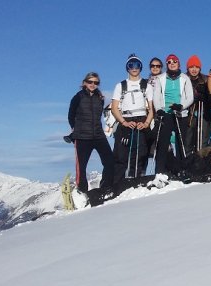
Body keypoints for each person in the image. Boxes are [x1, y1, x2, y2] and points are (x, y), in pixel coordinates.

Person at [67, 72, 114, 206]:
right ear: (84, 83)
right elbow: (71, 115)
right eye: (90, 82)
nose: (93, 84)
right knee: (81, 168)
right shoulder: (78, 97)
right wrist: (74, 129)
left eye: (96, 82)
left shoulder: (100, 97)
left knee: (109, 161)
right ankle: (82, 194)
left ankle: (106, 188)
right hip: (82, 137)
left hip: (98, 135)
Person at [110, 54, 153, 186]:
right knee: (121, 155)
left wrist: (146, 123)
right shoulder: (120, 86)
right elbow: (114, 108)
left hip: (141, 120)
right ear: (127, 68)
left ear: (140, 67)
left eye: (137, 65)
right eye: (131, 65)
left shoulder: (147, 85)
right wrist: (123, 122)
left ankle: (136, 183)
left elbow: (151, 109)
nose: (134, 68)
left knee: (140, 154)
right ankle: (117, 185)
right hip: (125, 120)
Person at [151, 54, 195, 175]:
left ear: (178, 63)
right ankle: (160, 171)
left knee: (181, 143)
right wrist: (159, 109)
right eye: (169, 62)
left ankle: (181, 170)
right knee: (163, 143)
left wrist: (181, 106)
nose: (172, 63)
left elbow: (190, 97)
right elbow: (157, 96)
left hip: (181, 113)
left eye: (174, 61)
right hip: (166, 113)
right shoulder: (160, 78)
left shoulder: (185, 78)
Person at [185, 55, 211, 152]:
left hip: (203, 111)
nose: (194, 70)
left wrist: (205, 94)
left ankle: (201, 160)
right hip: (189, 112)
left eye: (196, 67)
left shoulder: (206, 79)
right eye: (191, 67)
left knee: (202, 138)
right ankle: (187, 161)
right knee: (188, 139)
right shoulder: (184, 79)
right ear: (188, 68)